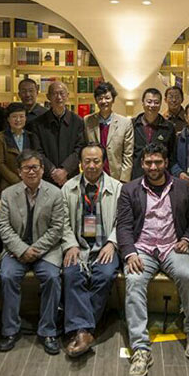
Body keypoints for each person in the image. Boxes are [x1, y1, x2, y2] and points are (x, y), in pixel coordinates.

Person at [117, 142, 189, 376]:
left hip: (172, 246)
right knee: (133, 281)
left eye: (158, 162)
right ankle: (140, 348)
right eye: (148, 162)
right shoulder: (130, 189)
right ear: (142, 163)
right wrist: (130, 253)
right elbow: (123, 226)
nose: (153, 166)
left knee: (187, 276)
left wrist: (187, 238)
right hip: (142, 248)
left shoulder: (183, 187)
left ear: (166, 163)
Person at [0, 149, 66, 355]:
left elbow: (57, 228)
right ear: (19, 172)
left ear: (43, 169)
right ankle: (10, 330)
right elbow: (4, 227)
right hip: (15, 251)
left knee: (53, 278)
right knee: (8, 276)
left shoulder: (55, 193)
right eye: (26, 168)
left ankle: (48, 331)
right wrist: (22, 249)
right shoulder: (8, 194)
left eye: (35, 167)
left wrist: (36, 250)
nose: (31, 171)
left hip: (46, 250)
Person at [61, 143, 123, 358]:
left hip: (105, 247)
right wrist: (70, 244)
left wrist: (112, 243)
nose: (92, 165)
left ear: (103, 162)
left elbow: (123, 222)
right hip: (79, 246)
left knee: (105, 275)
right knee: (71, 274)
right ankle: (86, 331)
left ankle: (80, 330)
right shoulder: (68, 188)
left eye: (96, 161)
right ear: (80, 163)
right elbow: (62, 223)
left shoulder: (117, 188)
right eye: (87, 161)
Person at [28, 81, 85, 187]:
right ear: (48, 97)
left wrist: (65, 170)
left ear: (67, 96)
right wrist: (53, 171)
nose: (59, 97)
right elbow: (37, 151)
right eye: (54, 93)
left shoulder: (77, 121)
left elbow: (80, 149)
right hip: (46, 178)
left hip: (71, 177)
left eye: (62, 93)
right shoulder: (38, 123)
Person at [84, 81, 134, 182]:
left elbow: (128, 154)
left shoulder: (125, 123)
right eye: (100, 98)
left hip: (116, 175)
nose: (104, 101)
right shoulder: (87, 121)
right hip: (93, 174)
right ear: (96, 101)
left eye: (107, 98)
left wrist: (123, 180)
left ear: (113, 100)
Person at [131, 88, 179, 180]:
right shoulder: (132, 124)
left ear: (161, 104)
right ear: (143, 103)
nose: (152, 105)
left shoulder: (169, 127)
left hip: (160, 177)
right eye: (149, 102)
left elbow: (172, 156)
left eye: (156, 102)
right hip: (136, 176)